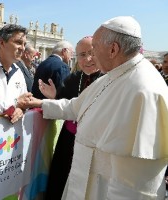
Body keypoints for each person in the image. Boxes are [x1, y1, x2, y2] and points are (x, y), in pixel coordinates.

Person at [19, 16, 168, 199]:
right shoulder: (112, 76)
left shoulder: (144, 89)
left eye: (95, 48)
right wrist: (40, 103)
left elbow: (136, 183)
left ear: (113, 49)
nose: (92, 56)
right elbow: (76, 106)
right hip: (83, 182)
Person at [40, 36, 103, 200]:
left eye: (92, 53)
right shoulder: (73, 78)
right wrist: (54, 97)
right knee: (60, 179)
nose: (87, 59)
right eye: (82, 55)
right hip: (68, 141)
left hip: (94, 143)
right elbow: (64, 104)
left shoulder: (108, 80)